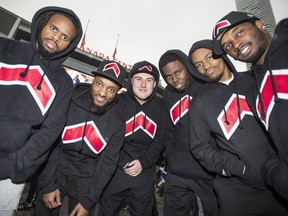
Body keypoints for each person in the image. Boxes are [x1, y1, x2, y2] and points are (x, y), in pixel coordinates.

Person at [188, 39, 288, 215]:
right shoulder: (199, 103)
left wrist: (277, 161)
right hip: (236, 191)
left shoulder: (254, 80)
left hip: (279, 180)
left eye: (210, 57)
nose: (206, 65)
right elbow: (199, 147)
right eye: (199, 64)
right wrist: (239, 169)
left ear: (222, 55)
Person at [0, 6, 82, 215]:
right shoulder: (4, 47)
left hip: (11, 173)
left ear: (69, 44)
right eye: (53, 28)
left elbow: (49, 132)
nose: (56, 38)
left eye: (65, 37)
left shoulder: (63, 83)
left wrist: (12, 166)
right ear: (41, 25)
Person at [33, 60, 127, 216]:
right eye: (99, 84)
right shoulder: (69, 99)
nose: (103, 93)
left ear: (117, 92)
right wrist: (48, 184)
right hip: (56, 170)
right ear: (92, 81)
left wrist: (88, 201)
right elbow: (50, 142)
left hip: (87, 180)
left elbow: (108, 164)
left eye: (111, 89)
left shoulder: (117, 121)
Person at [212, 11, 288, 202]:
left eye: (239, 33)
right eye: (228, 46)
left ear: (259, 24)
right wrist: (275, 173)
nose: (236, 45)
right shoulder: (255, 90)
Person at [98, 60, 167, 216]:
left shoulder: (162, 106)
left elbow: (160, 140)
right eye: (138, 79)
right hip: (114, 170)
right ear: (130, 81)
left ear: (155, 83)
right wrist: (123, 162)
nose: (143, 85)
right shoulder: (116, 101)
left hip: (145, 173)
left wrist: (143, 162)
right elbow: (106, 136)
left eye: (149, 80)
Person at [158, 50, 219, 216]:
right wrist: (171, 157)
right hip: (177, 173)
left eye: (178, 72)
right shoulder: (168, 94)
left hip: (207, 173)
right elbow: (169, 131)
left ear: (187, 67)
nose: (175, 80)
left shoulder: (206, 85)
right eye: (168, 76)